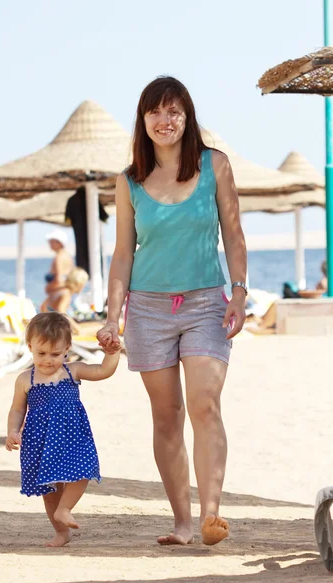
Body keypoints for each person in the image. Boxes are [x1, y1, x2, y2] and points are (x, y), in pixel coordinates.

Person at [97, 76, 247, 546]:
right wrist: (111, 315)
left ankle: (211, 515)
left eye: (175, 111)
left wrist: (239, 293)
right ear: (143, 120)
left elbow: (234, 234)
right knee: (167, 416)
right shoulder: (129, 181)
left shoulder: (213, 165)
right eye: (157, 112)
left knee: (205, 403)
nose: (167, 120)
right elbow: (123, 254)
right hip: (147, 309)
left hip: (206, 303)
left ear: (188, 116)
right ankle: (182, 522)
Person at [5, 312, 120, 547]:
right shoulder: (26, 379)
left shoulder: (72, 370)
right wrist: (12, 431)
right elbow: (17, 410)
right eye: (41, 353)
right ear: (30, 347)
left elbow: (102, 371)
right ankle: (61, 532)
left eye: (55, 354)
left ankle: (65, 510)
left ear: (67, 348)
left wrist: (112, 353)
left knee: (84, 472)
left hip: (73, 438)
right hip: (40, 441)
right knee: (49, 491)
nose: (48, 360)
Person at [40, 267, 89, 334]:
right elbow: (61, 310)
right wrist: (76, 327)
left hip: (48, 326)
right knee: (98, 326)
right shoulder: (67, 294)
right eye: (83, 284)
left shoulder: (60, 290)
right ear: (79, 284)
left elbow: (43, 306)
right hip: (54, 330)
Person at [44, 229, 74, 295]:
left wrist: (48, 288)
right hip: (66, 292)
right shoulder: (68, 256)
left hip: (59, 294)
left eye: (51, 242)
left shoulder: (59, 257)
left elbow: (59, 279)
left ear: (59, 242)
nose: (49, 244)